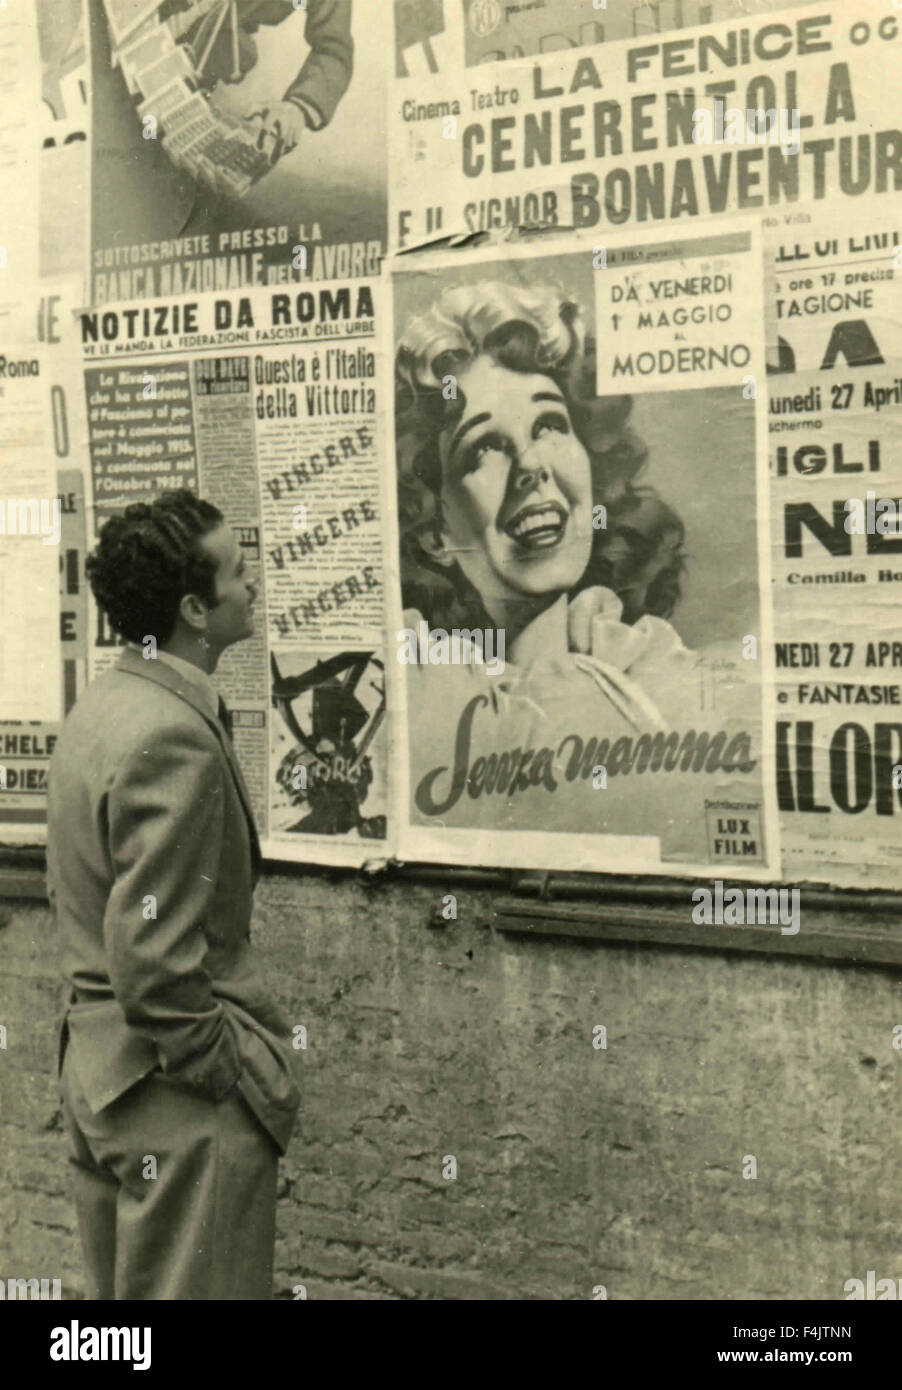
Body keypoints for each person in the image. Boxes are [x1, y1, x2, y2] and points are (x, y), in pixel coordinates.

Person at [394, 282, 757, 852]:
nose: (531, 466)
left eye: (549, 426)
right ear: (435, 530)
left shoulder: (662, 671)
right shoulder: (418, 692)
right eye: (484, 447)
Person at [46, 489, 300, 1300]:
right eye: (236, 572)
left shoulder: (104, 707)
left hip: (100, 1079)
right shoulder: (172, 735)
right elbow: (152, 957)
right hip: (175, 1102)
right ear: (194, 607)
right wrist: (227, 1075)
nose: (252, 584)